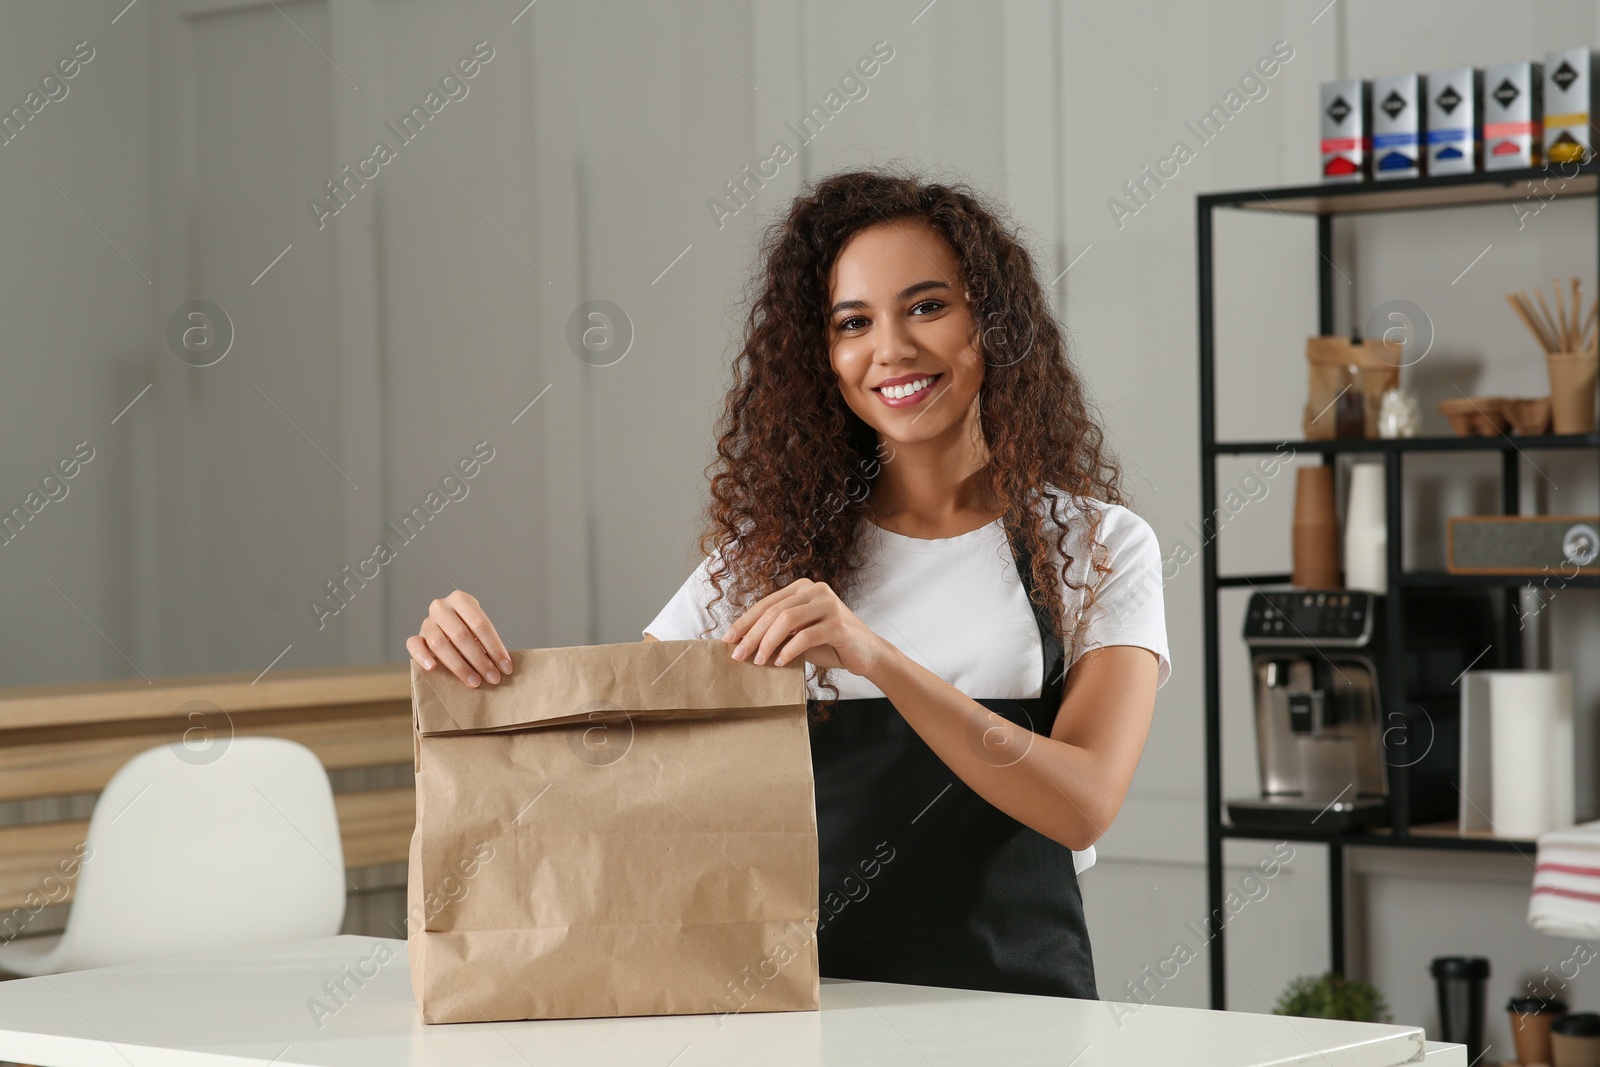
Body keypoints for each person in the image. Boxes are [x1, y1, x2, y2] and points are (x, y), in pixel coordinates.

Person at [406, 166, 1170, 1001]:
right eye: (853, 322)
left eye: (927, 306)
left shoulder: (1092, 546)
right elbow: (605, 751)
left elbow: (1085, 803)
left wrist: (874, 657)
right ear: (824, 357)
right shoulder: (764, 559)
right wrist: (480, 670)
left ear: (991, 321)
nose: (893, 349)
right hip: (799, 1007)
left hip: (1018, 1011)